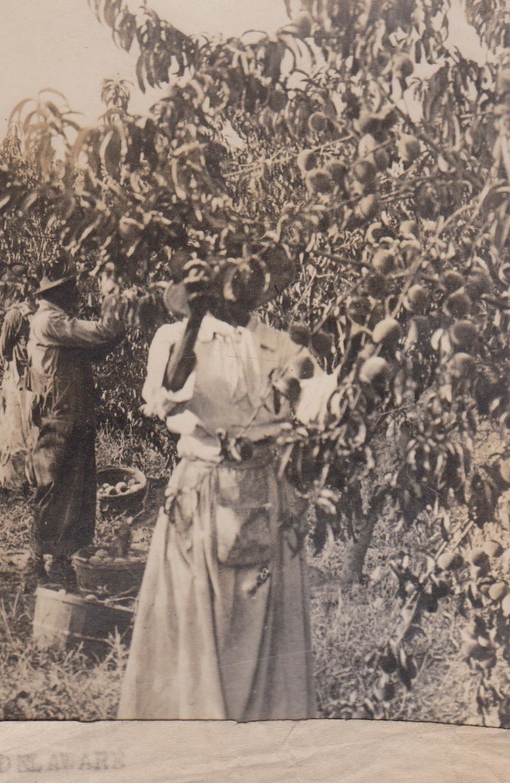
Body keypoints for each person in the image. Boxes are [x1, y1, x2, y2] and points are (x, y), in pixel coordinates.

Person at [116, 260, 330, 722]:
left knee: (262, 610)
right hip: (205, 486)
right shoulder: (175, 338)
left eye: (257, 269)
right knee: (199, 608)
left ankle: (268, 720)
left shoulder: (282, 345)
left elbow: (313, 409)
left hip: (266, 487)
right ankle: (193, 718)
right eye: (233, 269)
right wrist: (194, 318)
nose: (246, 278)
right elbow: (168, 392)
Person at [26, 271, 125, 585]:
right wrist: (113, 295)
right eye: (71, 293)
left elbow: (100, 344)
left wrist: (116, 327)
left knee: (77, 487)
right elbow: (102, 331)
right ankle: (37, 560)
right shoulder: (50, 321)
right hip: (60, 412)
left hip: (74, 412)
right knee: (54, 486)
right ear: (58, 294)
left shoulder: (57, 323)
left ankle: (64, 559)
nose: (76, 299)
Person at [0, 274, 39, 493]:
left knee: (28, 427)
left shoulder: (35, 314)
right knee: (19, 428)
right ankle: (16, 482)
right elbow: (4, 351)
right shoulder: (19, 315)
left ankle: (28, 481)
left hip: (31, 376)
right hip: (21, 376)